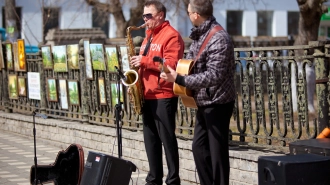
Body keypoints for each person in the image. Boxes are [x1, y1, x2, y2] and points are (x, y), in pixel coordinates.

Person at [160, 0, 235, 185]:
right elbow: (190, 62)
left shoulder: (219, 38)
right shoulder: (201, 35)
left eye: (188, 12)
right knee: (199, 148)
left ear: (196, 15)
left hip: (218, 101)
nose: (187, 15)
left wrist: (180, 79)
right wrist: (174, 70)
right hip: (204, 100)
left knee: (217, 153)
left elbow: (214, 76)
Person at [129, 1, 185, 185]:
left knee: (167, 140)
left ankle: (173, 180)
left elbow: (170, 66)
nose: (145, 19)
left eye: (149, 16)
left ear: (160, 15)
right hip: (148, 94)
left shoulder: (172, 36)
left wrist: (144, 61)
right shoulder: (148, 36)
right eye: (144, 16)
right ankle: (154, 179)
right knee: (151, 141)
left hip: (164, 95)